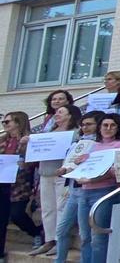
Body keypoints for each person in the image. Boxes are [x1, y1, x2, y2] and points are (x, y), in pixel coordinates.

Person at [60, 113, 120, 263]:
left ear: (118, 128)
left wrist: (93, 178)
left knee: (98, 237)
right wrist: (77, 164)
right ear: (99, 127)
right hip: (84, 192)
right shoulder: (92, 145)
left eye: (112, 125)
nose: (108, 128)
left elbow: (119, 173)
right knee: (85, 237)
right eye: (105, 125)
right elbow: (82, 167)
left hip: (104, 192)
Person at [32, 104, 80, 255]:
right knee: (47, 209)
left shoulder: (75, 133)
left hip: (61, 175)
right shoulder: (48, 131)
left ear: (70, 115)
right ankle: (49, 240)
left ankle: (60, 240)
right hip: (45, 173)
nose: (56, 114)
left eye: (61, 112)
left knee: (60, 208)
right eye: (56, 112)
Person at [53, 111, 101, 263]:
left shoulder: (100, 144)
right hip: (73, 188)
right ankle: (59, 260)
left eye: (89, 124)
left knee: (85, 234)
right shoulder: (78, 142)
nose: (85, 127)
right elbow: (69, 162)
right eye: (83, 124)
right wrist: (64, 170)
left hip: (88, 189)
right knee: (61, 230)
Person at [1, 111, 44, 255]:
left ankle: (37, 233)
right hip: (3, 184)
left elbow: (37, 161)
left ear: (18, 122)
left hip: (21, 185)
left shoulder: (30, 141)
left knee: (17, 215)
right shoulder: (2, 140)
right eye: (4, 122)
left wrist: (25, 163)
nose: (4, 125)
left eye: (8, 122)